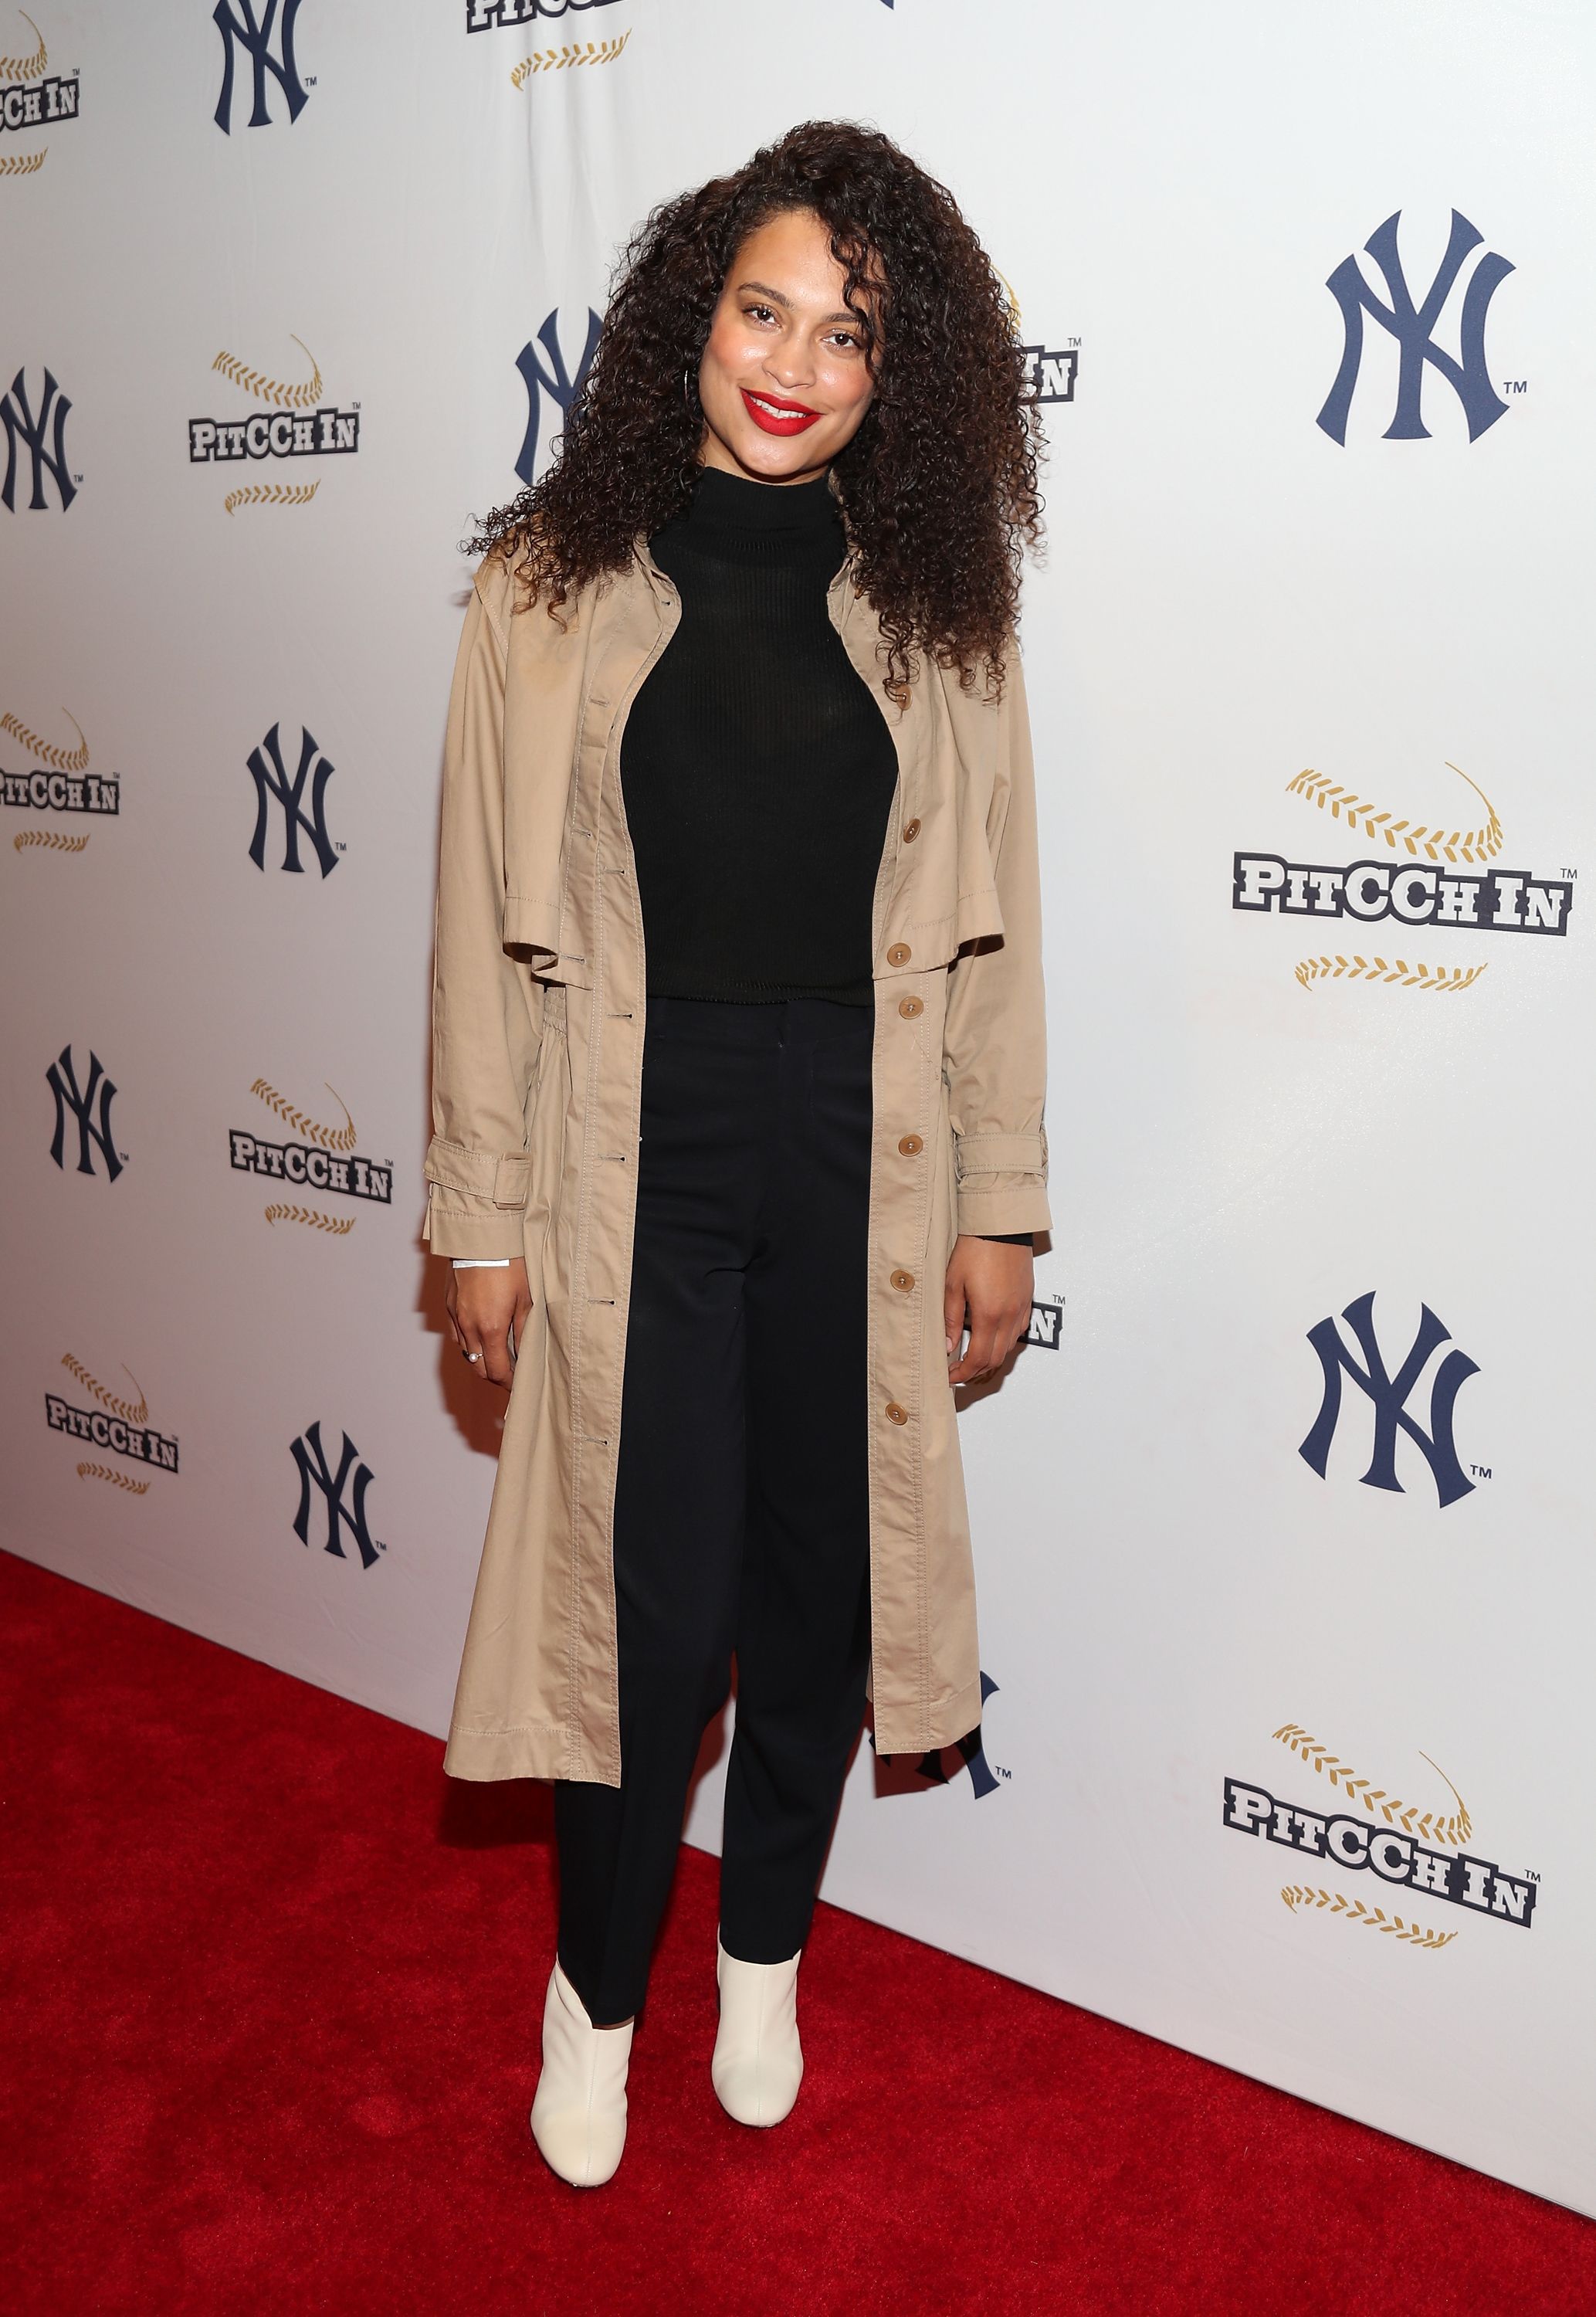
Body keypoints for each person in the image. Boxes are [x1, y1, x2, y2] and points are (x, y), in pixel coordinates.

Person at [425, 120, 1049, 2188]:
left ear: (898, 371)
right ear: (686, 322)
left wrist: (996, 1200)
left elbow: (997, 939)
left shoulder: (944, 609)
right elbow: (474, 936)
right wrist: (481, 1216)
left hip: (865, 1144)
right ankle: (595, 1996)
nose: (792, 365)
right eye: (761, 313)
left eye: (845, 335)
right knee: (646, 1604)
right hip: (636, 1139)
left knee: (822, 1583)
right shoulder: (540, 589)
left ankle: (762, 1949)